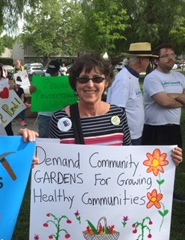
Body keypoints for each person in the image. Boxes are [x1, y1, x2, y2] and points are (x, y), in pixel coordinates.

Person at [48, 53, 183, 164]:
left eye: (97, 79)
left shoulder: (118, 115)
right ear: (75, 84)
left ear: (106, 83)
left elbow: (129, 159)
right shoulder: (60, 119)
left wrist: (167, 163)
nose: (90, 84)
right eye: (83, 79)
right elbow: (52, 164)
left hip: (112, 195)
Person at [141, 43, 185, 201]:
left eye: (173, 54)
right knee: (153, 164)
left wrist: (170, 96)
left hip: (173, 128)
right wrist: (178, 98)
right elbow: (164, 102)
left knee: (173, 162)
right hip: (154, 128)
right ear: (157, 60)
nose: (171, 57)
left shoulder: (180, 77)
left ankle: (169, 194)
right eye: (166, 55)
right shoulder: (151, 78)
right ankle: (149, 194)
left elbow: (168, 99)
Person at [106, 42, 158, 145]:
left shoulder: (131, 77)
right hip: (127, 138)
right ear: (142, 60)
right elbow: (117, 111)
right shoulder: (124, 80)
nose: (149, 62)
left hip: (134, 135)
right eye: (149, 59)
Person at [31, 59, 61, 138]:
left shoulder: (64, 80)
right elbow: (34, 93)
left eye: (53, 71)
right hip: (45, 114)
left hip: (60, 113)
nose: (50, 74)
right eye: (50, 71)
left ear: (58, 70)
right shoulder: (42, 78)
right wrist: (32, 90)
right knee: (44, 137)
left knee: (60, 136)